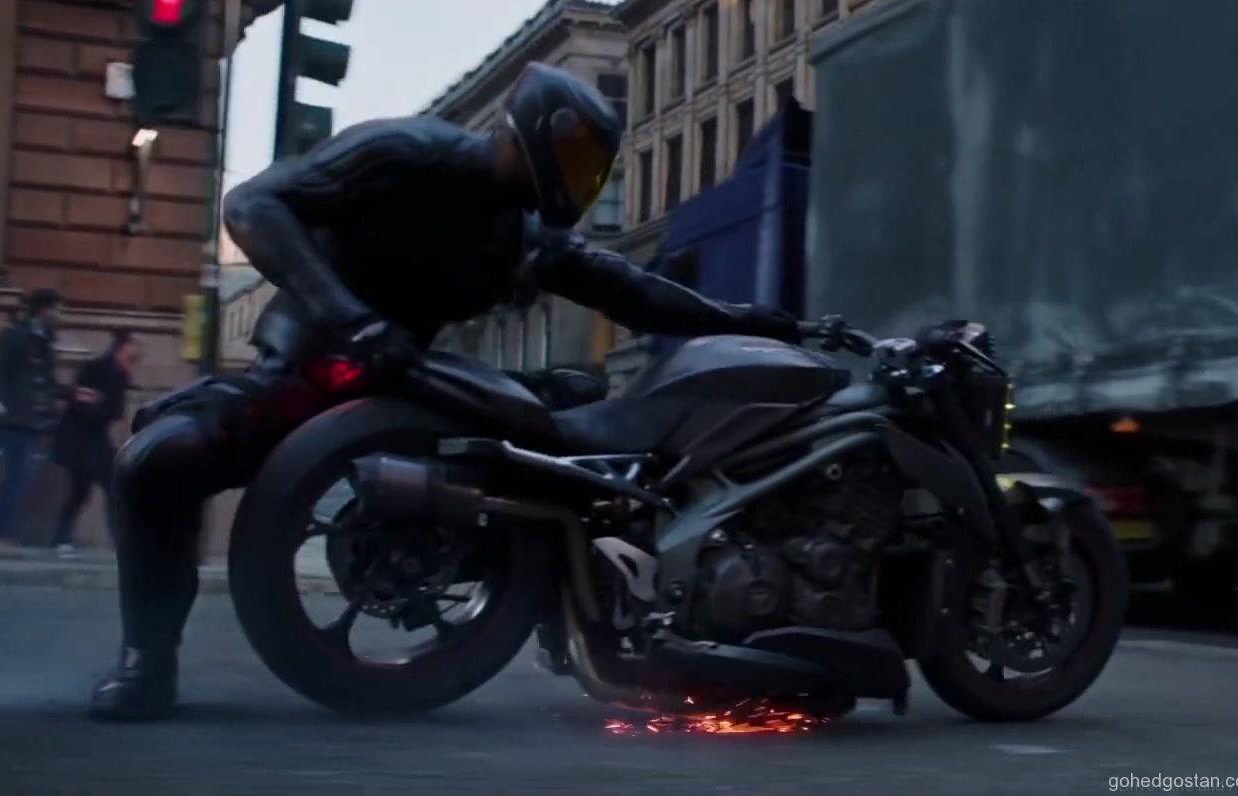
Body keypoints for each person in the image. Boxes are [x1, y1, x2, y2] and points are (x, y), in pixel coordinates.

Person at [89, 63, 802, 721]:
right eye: (573, 155)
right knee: (160, 459)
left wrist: (749, 320)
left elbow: (632, 291)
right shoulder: (406, 152)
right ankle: (147, 659)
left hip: (412, 382)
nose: (577, 176)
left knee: (570, 420)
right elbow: (253, 204)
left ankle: (616, 612)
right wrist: (349, 318)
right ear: (527, 132)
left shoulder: (528, 237)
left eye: (590, 165)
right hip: (310, 367)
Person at [0, 289, 87, 557]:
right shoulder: (15, 335)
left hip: (32, 421)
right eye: (57, 310)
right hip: (13, 418)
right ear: (43, 310)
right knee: (15, 479)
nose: (60, 316)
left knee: (17, 480)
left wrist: (72, 393)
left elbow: (46, 382)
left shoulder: (44, 341)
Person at [49, 330, 141, 560]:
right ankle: (65, 539)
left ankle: (64, 538)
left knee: (93, 490)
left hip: (95, 439)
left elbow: (114, 410)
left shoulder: (120, 372)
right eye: (135, 345)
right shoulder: (98, 367)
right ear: (122, 347)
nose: (138, 351)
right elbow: (78, 396)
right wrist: (94, 401)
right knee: (91, 489)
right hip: (80, 438)